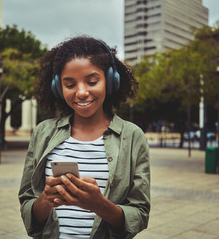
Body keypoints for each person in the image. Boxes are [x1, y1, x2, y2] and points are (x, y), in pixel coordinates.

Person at [18, 36, 150, 239]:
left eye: (92, 81)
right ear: (58, 87)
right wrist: (46, 199)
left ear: (110, 80)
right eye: (70, 85)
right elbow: (28, 207)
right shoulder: (42, 133)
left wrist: (99, 204)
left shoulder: (133, 136)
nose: (81, 92)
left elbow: (139, 214)